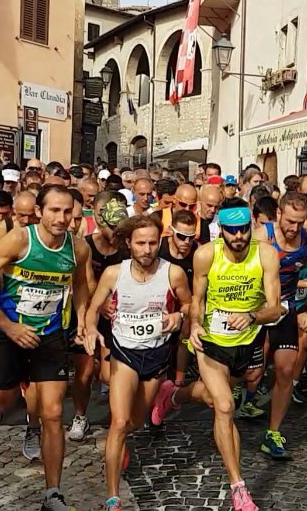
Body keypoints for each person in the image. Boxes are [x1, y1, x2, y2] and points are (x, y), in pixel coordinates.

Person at [0, 185, 91, 511]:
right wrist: (9, 326)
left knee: (52, 412)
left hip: (50, 335)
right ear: (39, 211)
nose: (61, 218)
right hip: (9, 332)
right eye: (54, 210)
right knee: (8, 400)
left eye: (67, 212)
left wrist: (82, 320)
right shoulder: (20, 240)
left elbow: (79, 284)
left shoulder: (78, 248)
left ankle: (53, 494)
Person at [83, 215, 190, 511]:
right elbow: (93, 309)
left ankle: (123, 444)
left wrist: (178, 316)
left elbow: (190, 304)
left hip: (155, 356)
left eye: (153, 243)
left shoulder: (174, 273)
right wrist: (91, 329)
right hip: (124, 353)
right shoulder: (114, 273)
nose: (147, 249)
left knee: (135, 422)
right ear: (128, 244)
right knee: (118, 423)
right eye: (140, 243)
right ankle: (113, 498)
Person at [186, 197, 284, 511]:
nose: (238, 236)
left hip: (248, 341)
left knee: (226, 393)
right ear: (221, 231)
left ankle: (173, 397)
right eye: (232, 231)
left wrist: (253, 316)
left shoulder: (266, 255)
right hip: (212, 342)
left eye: (243, 229)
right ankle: (238, 488)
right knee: (226, 407)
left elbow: (276, 306)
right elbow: (197, 300)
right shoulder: (205, 255)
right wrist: (194, 325)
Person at [252, 192, 307, 459]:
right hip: (256, 308)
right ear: (279, 214)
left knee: (285, 369)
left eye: (300, 222)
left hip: (286, 308)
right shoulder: (262, 236)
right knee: (250, 374)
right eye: (290, 221)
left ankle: (273, 433)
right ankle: (245, 398)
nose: (294, 228)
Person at [67, 193, 129, 442]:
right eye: (114, 227)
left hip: (115, 317)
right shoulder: (85, 246)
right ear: (102, 224)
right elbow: (79, 284)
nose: (118, 233)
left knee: (107, 374)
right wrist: (97, 305)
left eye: (122, 228)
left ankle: (119, 417)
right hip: (86, 312)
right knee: (83, 372)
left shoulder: (126, 248)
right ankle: (80, 416)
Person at [150, 208, 205, 425]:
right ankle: (157, 394)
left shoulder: (197, 253)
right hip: (156, 305)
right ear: (170, 232)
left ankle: (179, 382)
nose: (186, 242)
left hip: (184, 306)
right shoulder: (158, 248)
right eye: (181, 236)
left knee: (185, 330)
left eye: (191, 237)